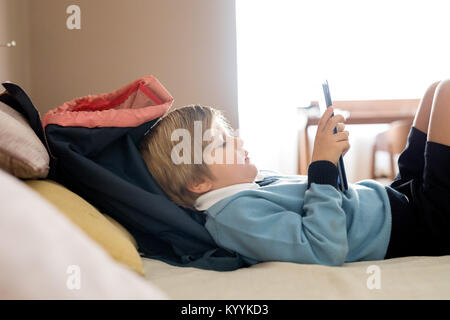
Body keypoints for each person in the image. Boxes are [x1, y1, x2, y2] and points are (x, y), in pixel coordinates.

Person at [138, 80, 450, 266]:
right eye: (221, 143)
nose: (236, 141)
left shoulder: (245, 186)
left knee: (434, 90)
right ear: (198, 182)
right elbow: (325, 249)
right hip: (418, 228)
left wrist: (332, 160)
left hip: (394, 200)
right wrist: (322, 165)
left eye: (229, 133)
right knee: (447, 92)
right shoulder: (234, 218)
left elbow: (323, 199)